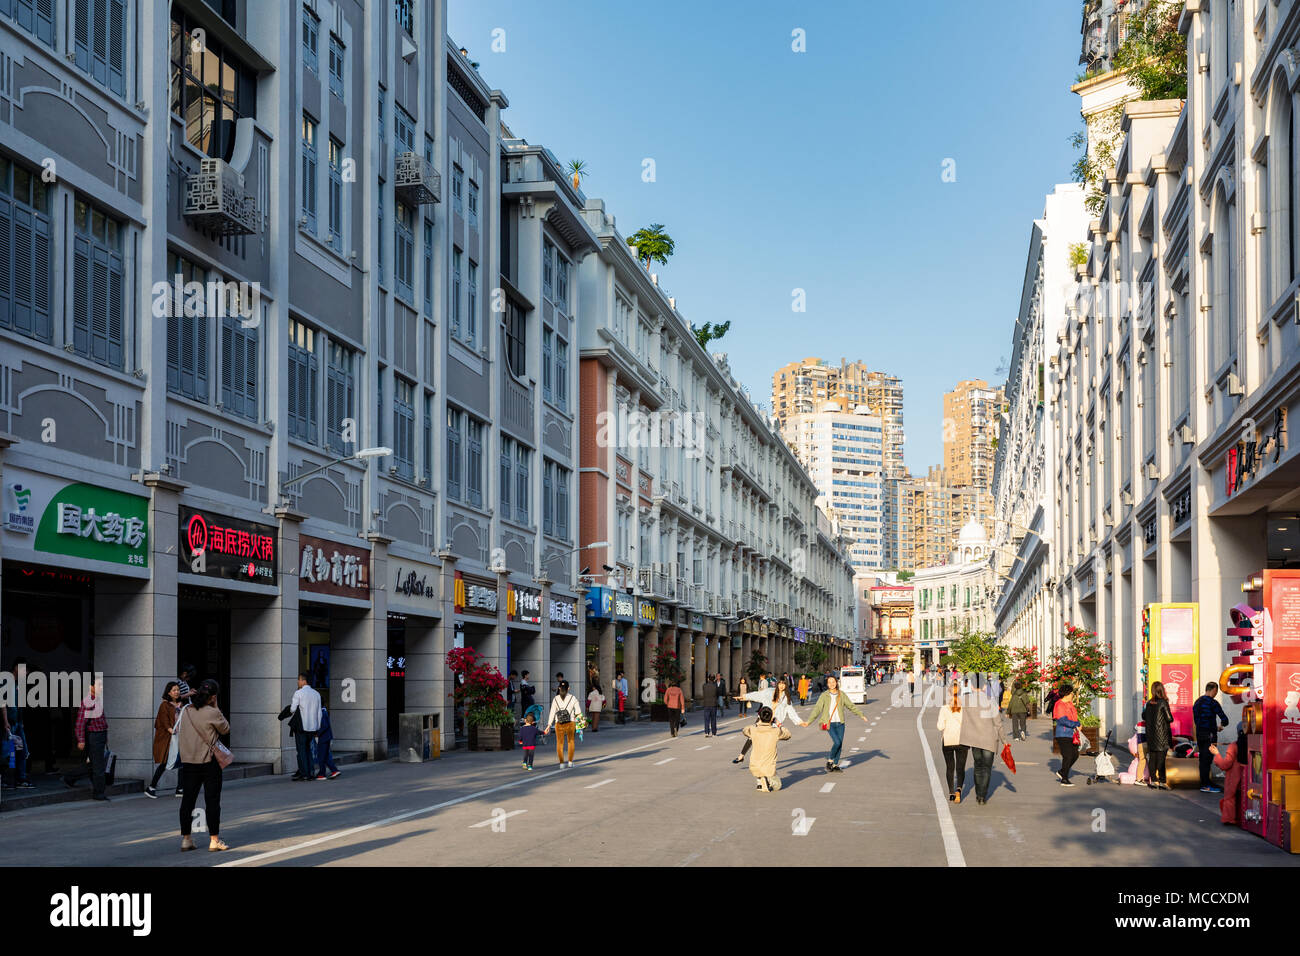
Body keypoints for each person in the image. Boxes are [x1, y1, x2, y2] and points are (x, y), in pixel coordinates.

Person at [177, 679, 230, 852]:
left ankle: (186, 839)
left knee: (188, 800)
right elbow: (225, 729)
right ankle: (214, 840)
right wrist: (215, 706)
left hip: (188, 761)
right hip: (209, 762)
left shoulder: (186, 710)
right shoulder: (212, 712)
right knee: (212, 800)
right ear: (213, 697)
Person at [800, 675, 867, 772]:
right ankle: (830, 760)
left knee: (840, 744)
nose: (831, 684)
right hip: (829, 723)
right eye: (829, 682)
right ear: (827, 684)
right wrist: (809, 721)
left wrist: (861, 714)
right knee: (837, 742)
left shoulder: (841, 694)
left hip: (840, 723)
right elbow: (817, 709)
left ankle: (835, 765)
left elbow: (850, 705)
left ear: (836, 683)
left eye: (833, 682)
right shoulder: (824, 695)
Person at [732, 679, 803, 764]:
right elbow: (757, 695)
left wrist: (799, 721)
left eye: (783, 684)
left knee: (770, 742)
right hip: (763, 717)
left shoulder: (786, 697)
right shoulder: (770, 691)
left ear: (786, 686)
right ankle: (741, 756)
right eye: (780, 683)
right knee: (751, 736)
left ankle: (769, 761)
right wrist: (744, 697)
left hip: (774, 721)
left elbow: (791, 711)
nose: (781, 685)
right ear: (777, 684)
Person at [959, 687, 1008, 805]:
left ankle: (978, 793)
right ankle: (982, 796)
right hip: (989, 739)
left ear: (971, 686)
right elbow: (998, 723)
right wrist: (1004, 740)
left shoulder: (965, 699)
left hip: (975, 739)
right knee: (986, 768)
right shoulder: (990, 701)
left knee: (977, 766)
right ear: (984, 687)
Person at [63, 679, 110, 801]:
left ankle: (69, 777)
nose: (101, 687)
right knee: (98, 766)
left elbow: (101, 721)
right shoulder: (88, 701)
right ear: (91, 686)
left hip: (100, 735)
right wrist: (81, 740)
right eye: (99, 685)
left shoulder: (97, 700)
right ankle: (99, 793)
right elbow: (80, 723)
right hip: (94, 736)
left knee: (94, 764)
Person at [279, 672, 322, 780]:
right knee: (308, 750)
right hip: (313, 727)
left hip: (302, 726)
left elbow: (293, 709)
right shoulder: (316, 694)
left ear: (304, 681)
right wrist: (318, 727)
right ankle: (311, 772)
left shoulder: (299, 693)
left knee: (301, 750)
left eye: (299, 680)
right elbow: (319, 713)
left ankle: (304, 773)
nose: (298, 682)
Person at [146, 681, 184, 798]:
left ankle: (180, 789)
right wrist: (169, 730)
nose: (177, 692)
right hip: (169, 738)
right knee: (164, 763)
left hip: (179, 737)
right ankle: (151, 787)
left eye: (178, 690)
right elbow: (163, 720)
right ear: (169, 692)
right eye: (174, 690)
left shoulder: (181, 704)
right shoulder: (165, 705)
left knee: (182, 762)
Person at [743, 706, 792, 792]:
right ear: (771, 719)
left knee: (759, 770)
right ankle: (766, 779)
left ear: (760, 717)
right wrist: (779, 724)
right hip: (768, 767)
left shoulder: (753, 729)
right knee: (778, 786)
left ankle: (760, 780)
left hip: (755, 766)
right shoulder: (776, 731)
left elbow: (745, 730)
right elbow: (788, 735)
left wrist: (757, 723)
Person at [1193, 682, 1230, 793]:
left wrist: (1213, 727)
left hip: (1200, 734)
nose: (1216, 693)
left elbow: (1199, 720)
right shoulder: (1213, 703)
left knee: (1202, 760)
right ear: (1213, 690)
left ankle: (1205, 782)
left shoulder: (1197, 702)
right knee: (1207, 759)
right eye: (1216, 691)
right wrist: (1220, 726)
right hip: (1210, 735)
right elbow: (1225, 720)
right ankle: (1206, 785)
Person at [1209, 724, 1248, 825]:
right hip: (1248, 777)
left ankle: (1230, 818)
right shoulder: (1253, 744)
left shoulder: (1234, 746)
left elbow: (1225, 765)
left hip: (1234, 778)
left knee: (1229, 798)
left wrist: (1216, 754)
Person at [1141, 682, 1174, 791]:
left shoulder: (1149, 702)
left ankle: (1154, 780)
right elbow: (1169, 718)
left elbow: (1143, 716)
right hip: (1162, 736)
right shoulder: (1163, 702)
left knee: (1152, 759)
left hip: (1150, 735)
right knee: (1161, 760)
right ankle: (1163, 782)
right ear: (1162, 690)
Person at [937, 685, 967, 802]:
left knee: (950, 767)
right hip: (962, 740)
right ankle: (959, 789)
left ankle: (951, 792)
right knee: (960, 767)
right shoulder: (964, 708)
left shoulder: (944, 708)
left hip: (948, 740)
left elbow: (940, 726)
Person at [544, 680, 583, 768]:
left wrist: (549, 725)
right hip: (570, 722)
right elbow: (578, 712)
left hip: (559, 723)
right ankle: (570, 762)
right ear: (568, 688)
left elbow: (552, 713)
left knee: (560, 743)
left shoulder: (555, 699)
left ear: (559, 688)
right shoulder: (573, 698)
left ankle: (561, 763)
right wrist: (580, 726)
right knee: (571, 742)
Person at [1053, 684, 1082, 787]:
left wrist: (1078, 724)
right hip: (1063, 733)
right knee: (1068, 756)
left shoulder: (1070, 704)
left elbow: (1074, 717)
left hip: (1072, 733)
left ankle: (1062, 772)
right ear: (1066, 694)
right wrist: (1076, 724)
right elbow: (1062, 720)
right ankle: (1064, 779)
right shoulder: (1059, 704)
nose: (1072, 694)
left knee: (1075, 754)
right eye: (1071, 693)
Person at [315, 706, 340, 779]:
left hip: (323, 738)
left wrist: (317, 734)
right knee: (325, 756)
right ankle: (333, 770)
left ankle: (322, 774)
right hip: (326, 737)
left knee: (321, 757)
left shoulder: (322, 713)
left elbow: (324, 726)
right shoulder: (324, 711)